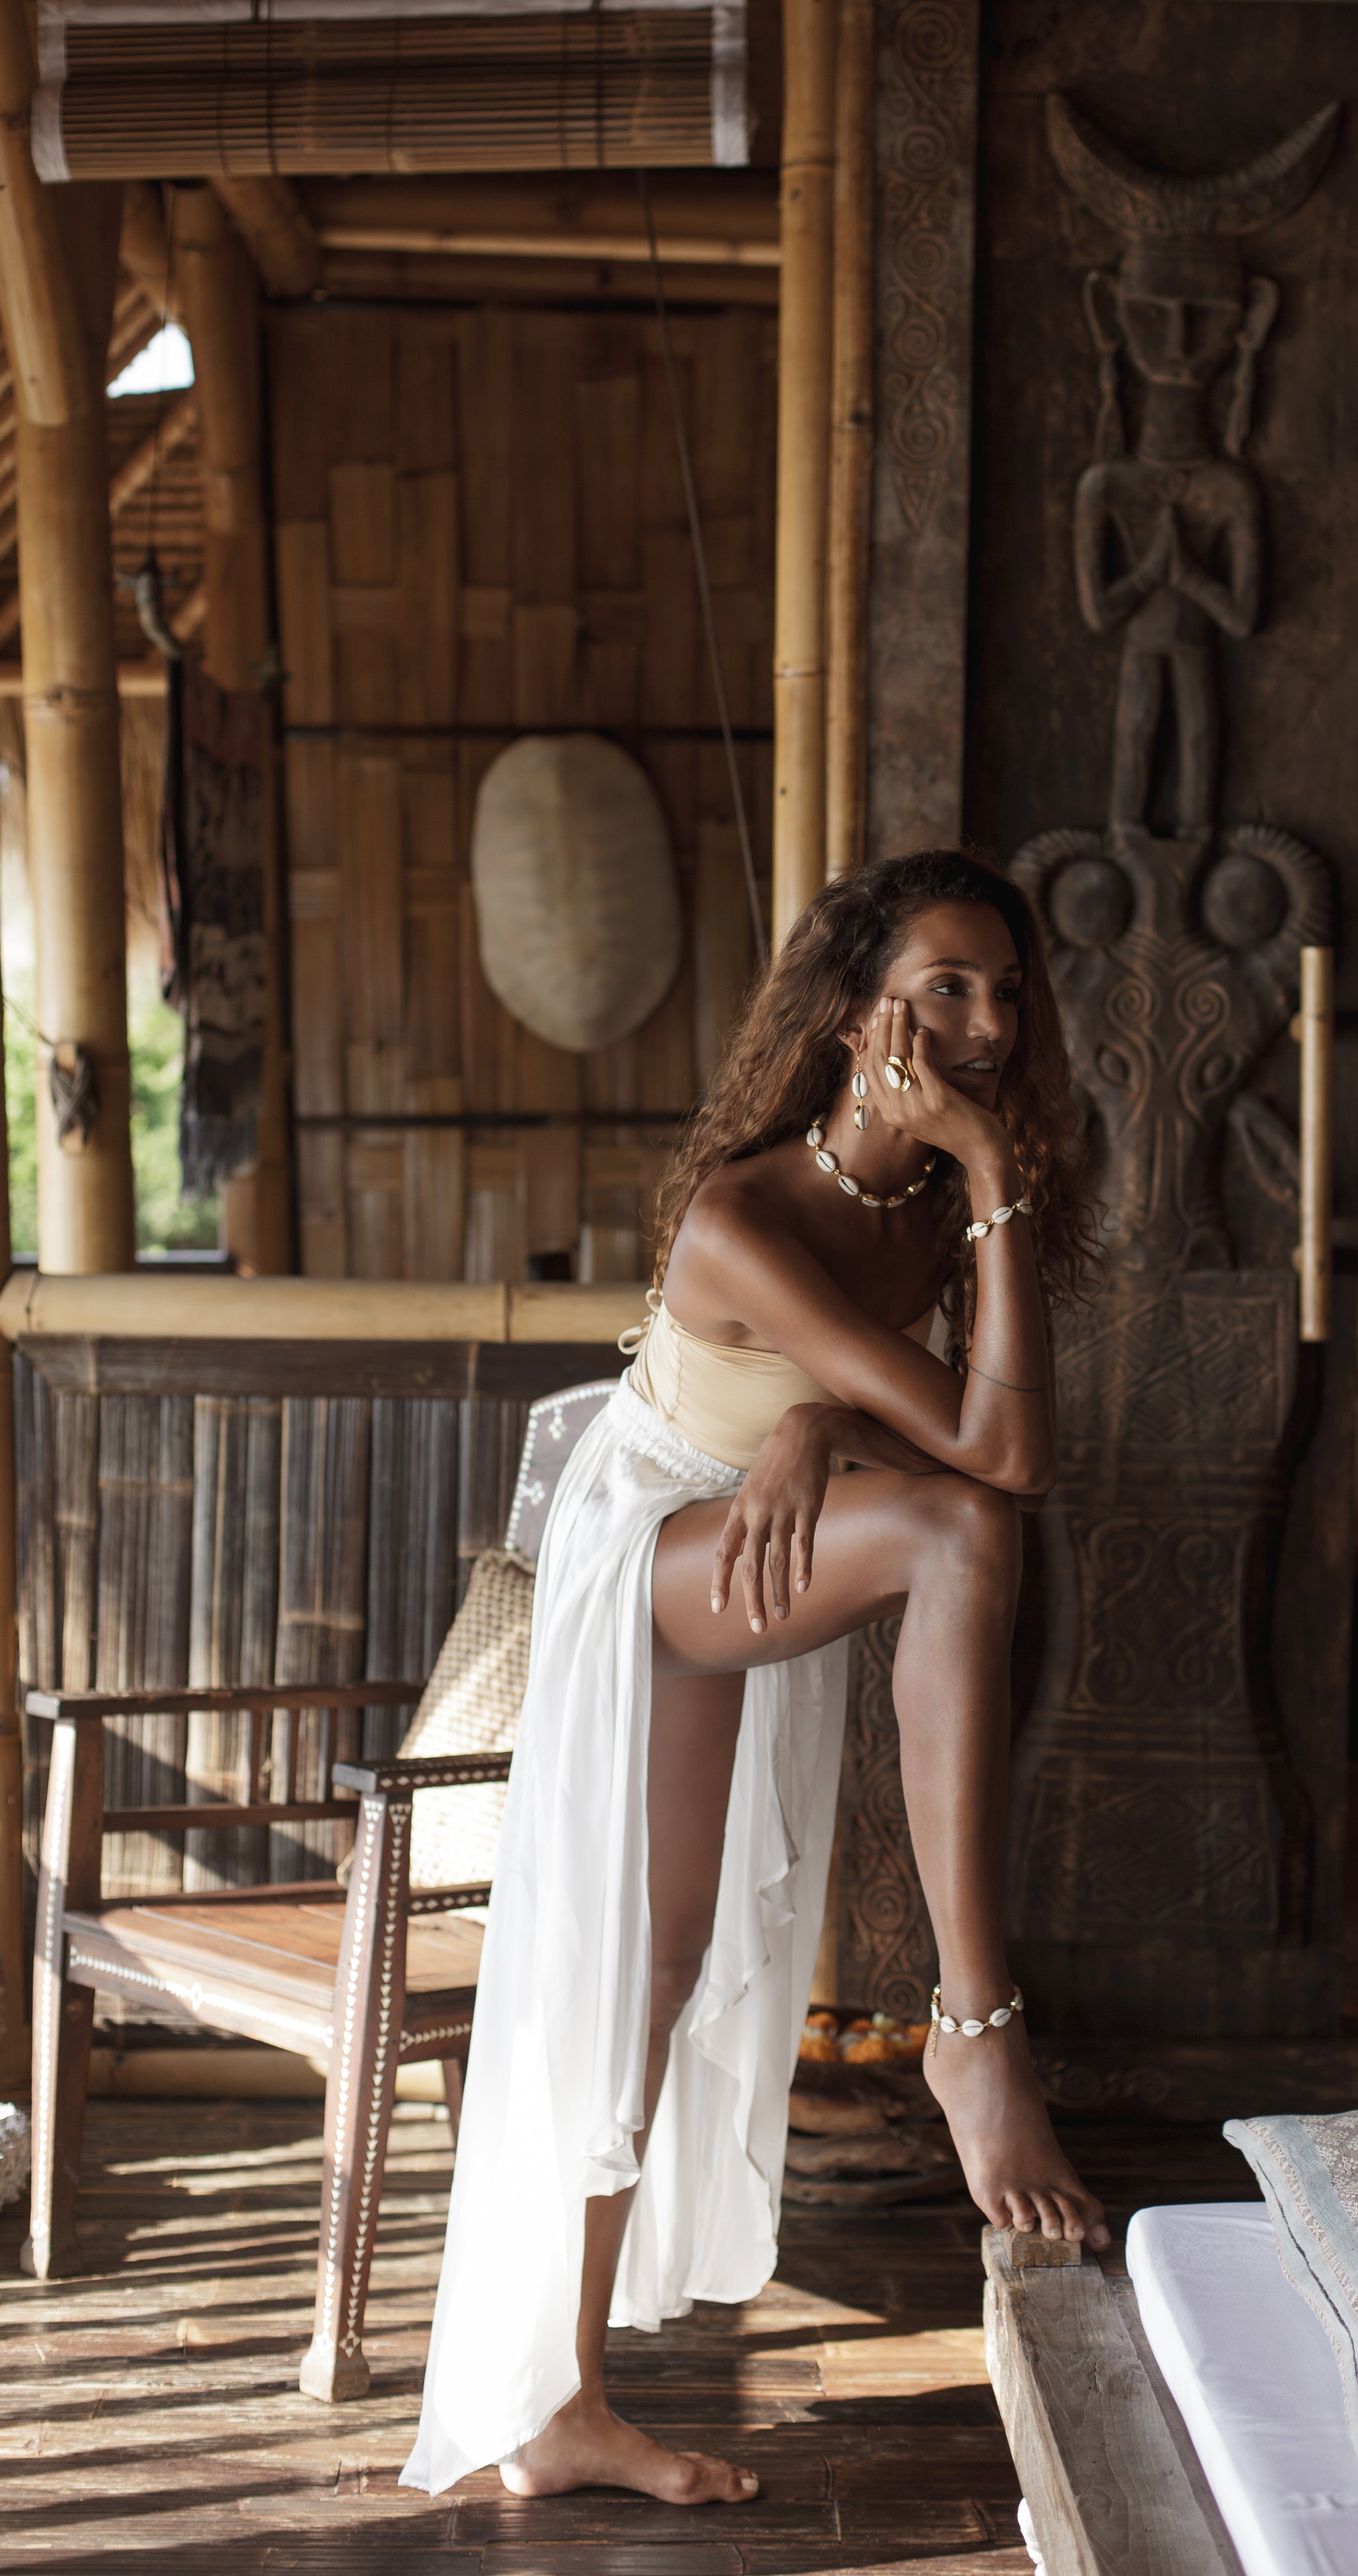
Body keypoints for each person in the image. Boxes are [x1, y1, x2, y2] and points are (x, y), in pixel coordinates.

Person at [403, 847, 1109, 2505]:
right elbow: (995, 1451)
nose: (988, 1020)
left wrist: (814, 1417)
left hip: (739, 1532)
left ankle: (558, 2399)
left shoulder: (928, 1207)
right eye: (945, 987)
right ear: (859, 1014)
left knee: (650, 1970)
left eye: (1005, 988)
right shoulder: (744, 1209)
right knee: (950, 1542)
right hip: (636, 1552)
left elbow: (979, 1436)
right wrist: (988, 1166)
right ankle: (974, 2032)